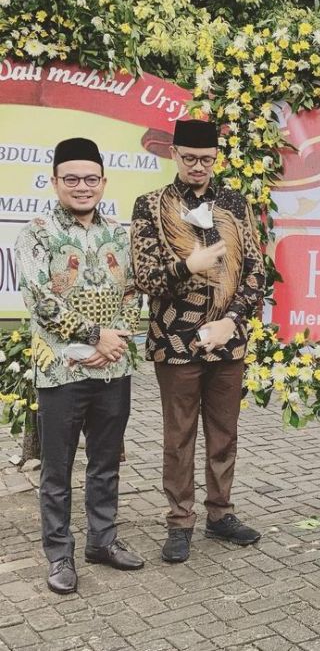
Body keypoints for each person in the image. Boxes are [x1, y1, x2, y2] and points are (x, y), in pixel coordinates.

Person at [130, 119, 266, 563]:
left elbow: (255, 272)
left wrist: (233, 318)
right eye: (189, 158)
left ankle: (220, 513)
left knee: (224, 432)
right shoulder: (150, 206)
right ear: (174, 155)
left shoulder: (235, 202)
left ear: (216, 158)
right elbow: (147, 278)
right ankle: (180, 521)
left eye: (206, 160)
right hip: (175, 340)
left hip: (228, 340)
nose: (198, 167)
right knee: (179, 435)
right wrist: (190, 265)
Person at [15, 137, 144, 594]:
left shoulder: (118, 233)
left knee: (106, 462)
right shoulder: (37, 233)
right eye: (71, 178)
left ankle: (102, 542)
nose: (82, 186)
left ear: (104, 182)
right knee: (57, 469)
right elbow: (39, 299)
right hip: (61, 372)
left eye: (91, 178)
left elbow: (133, 292)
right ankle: (59, 555)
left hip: (112, 369)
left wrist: (116, 341)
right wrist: (95, 336)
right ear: (54, 182)